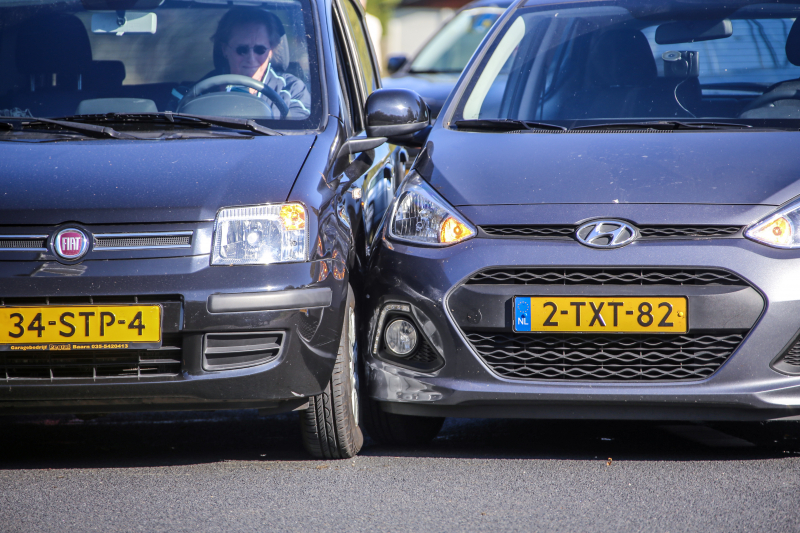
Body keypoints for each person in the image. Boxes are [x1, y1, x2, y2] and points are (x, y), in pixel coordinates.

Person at [212, 7, 311, 119]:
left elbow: (302, 132)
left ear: (271, 51)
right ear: (225, 49)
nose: (251, 58)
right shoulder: (202, 92)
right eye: (242, 50)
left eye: (260, 49)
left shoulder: (292, 89)